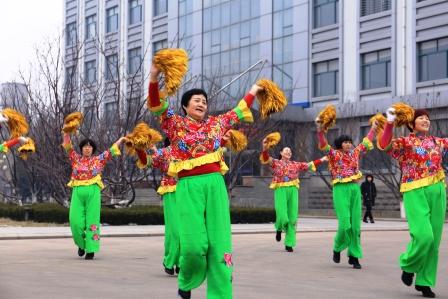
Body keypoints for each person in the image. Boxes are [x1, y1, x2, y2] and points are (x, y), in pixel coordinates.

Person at [147, 63, 263, 299]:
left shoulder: (216, 124)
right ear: (185, 106)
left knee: (220, 243)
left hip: (215, 184)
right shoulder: (175, 124)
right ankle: (186, 281)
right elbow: (156, 104)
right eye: (196, 100)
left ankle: (220, 293)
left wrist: (254, 89)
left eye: (204, 101)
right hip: (188, 187)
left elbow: (239, 110)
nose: (201, 103)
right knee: (192, 246)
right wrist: (154, 75)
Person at [379, 108, 446, 298]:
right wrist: (390, 122)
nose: (426, 120)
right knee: (424, 236)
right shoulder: (405, 142)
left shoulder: (438, 142)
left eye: (427, 118)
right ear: (411, 123)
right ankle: (408, 265)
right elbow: (384, 144)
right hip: (414, 190)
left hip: (437, 190)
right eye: (421, 118)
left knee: (435, 241)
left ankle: (424, 282)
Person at [315, 118, 377, 269]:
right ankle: (337, 247)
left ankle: (354, 256)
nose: (349, 144)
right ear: (340, 144)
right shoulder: (334, 154)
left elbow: (366, 142)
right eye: (345, 142)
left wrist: (374, 128)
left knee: (355, 226)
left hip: (354, 189)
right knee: (345, 223)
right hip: (340, 189)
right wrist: (319, 130)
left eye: (350, 141)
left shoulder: (355, 153)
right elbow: (323, 145)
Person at [62, 132, 125, 260]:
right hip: (78, 191)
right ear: (81, 149)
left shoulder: (98, 160)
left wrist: (122, 139)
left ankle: (91, 250)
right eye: (85, 146)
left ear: (93, 149)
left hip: (93, 191)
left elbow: (111, 150)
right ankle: (81, 244)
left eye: (90, 147)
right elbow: (68, 146)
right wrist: (66, 132)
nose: (87, 148)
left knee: (92, 220)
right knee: (75, 221)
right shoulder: (75, 158)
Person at [260, 139, 327, 252]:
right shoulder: (276, 163)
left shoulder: (295, 164)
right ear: (281, 153)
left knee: (292, 218)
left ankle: (289, 243)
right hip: (280, 189)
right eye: (286, 151)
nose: (288, 152)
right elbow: (266, 158)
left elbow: (309, 165)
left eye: (290, 151)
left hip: (293, 190)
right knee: (283, 215)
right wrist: (265, 148)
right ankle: (279, 227)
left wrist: (322, 159)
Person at [136, 138, 180, 276]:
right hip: (171, 192)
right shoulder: (164, 152)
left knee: (188, 229)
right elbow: (147, 161)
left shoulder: (191, 149)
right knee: (175, 230)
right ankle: (170, 260)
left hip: (190, 192)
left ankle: (181, 262)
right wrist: (139, 147)